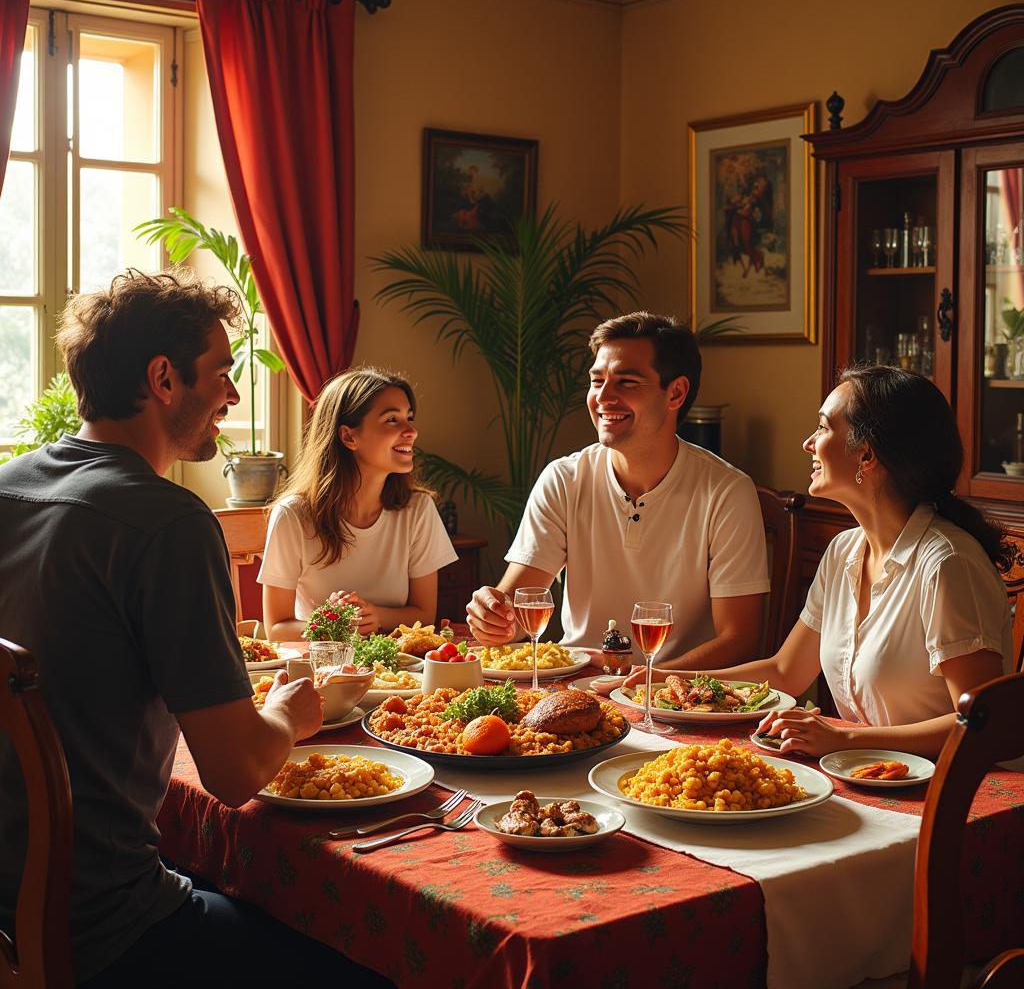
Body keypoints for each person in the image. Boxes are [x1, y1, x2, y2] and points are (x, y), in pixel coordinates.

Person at [0, 270, 391, 987]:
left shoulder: (10, 488)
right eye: (221, 373)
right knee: (379, 958)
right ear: (163, 379)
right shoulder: (169, 525)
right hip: (103, 931)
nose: (233, 397)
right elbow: (236, 775)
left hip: (8, 913)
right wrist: (286, 713)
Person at [631, 365, 1012, 758]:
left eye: (824, 428)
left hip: (955, 793)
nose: (808, 443)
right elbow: (784, 672)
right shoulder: (844, 551)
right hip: (864, 774)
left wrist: (845, 740)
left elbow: (984, 723)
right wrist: (660, 679)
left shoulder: (947, 564)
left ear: (866, 454)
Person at [466, 311, 770, 667]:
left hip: (674, 699)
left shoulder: (727, 492)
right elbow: (515, 613)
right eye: (597, 381)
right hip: (575, 689)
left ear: (676, 393)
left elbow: (740, 640)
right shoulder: (564, 479)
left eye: (626, 382)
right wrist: (493, 617)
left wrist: (642, 684)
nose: (603, 397)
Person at [260, 367, 457, 640]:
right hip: (322, 670)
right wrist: (335, 625)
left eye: (408, 418)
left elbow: (424, 615)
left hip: (400, 673)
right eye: (392, 420)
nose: (411, 431)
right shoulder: (292, 515)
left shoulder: (419, 510)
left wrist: (375, 616)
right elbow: (276, 629)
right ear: (348, 436)